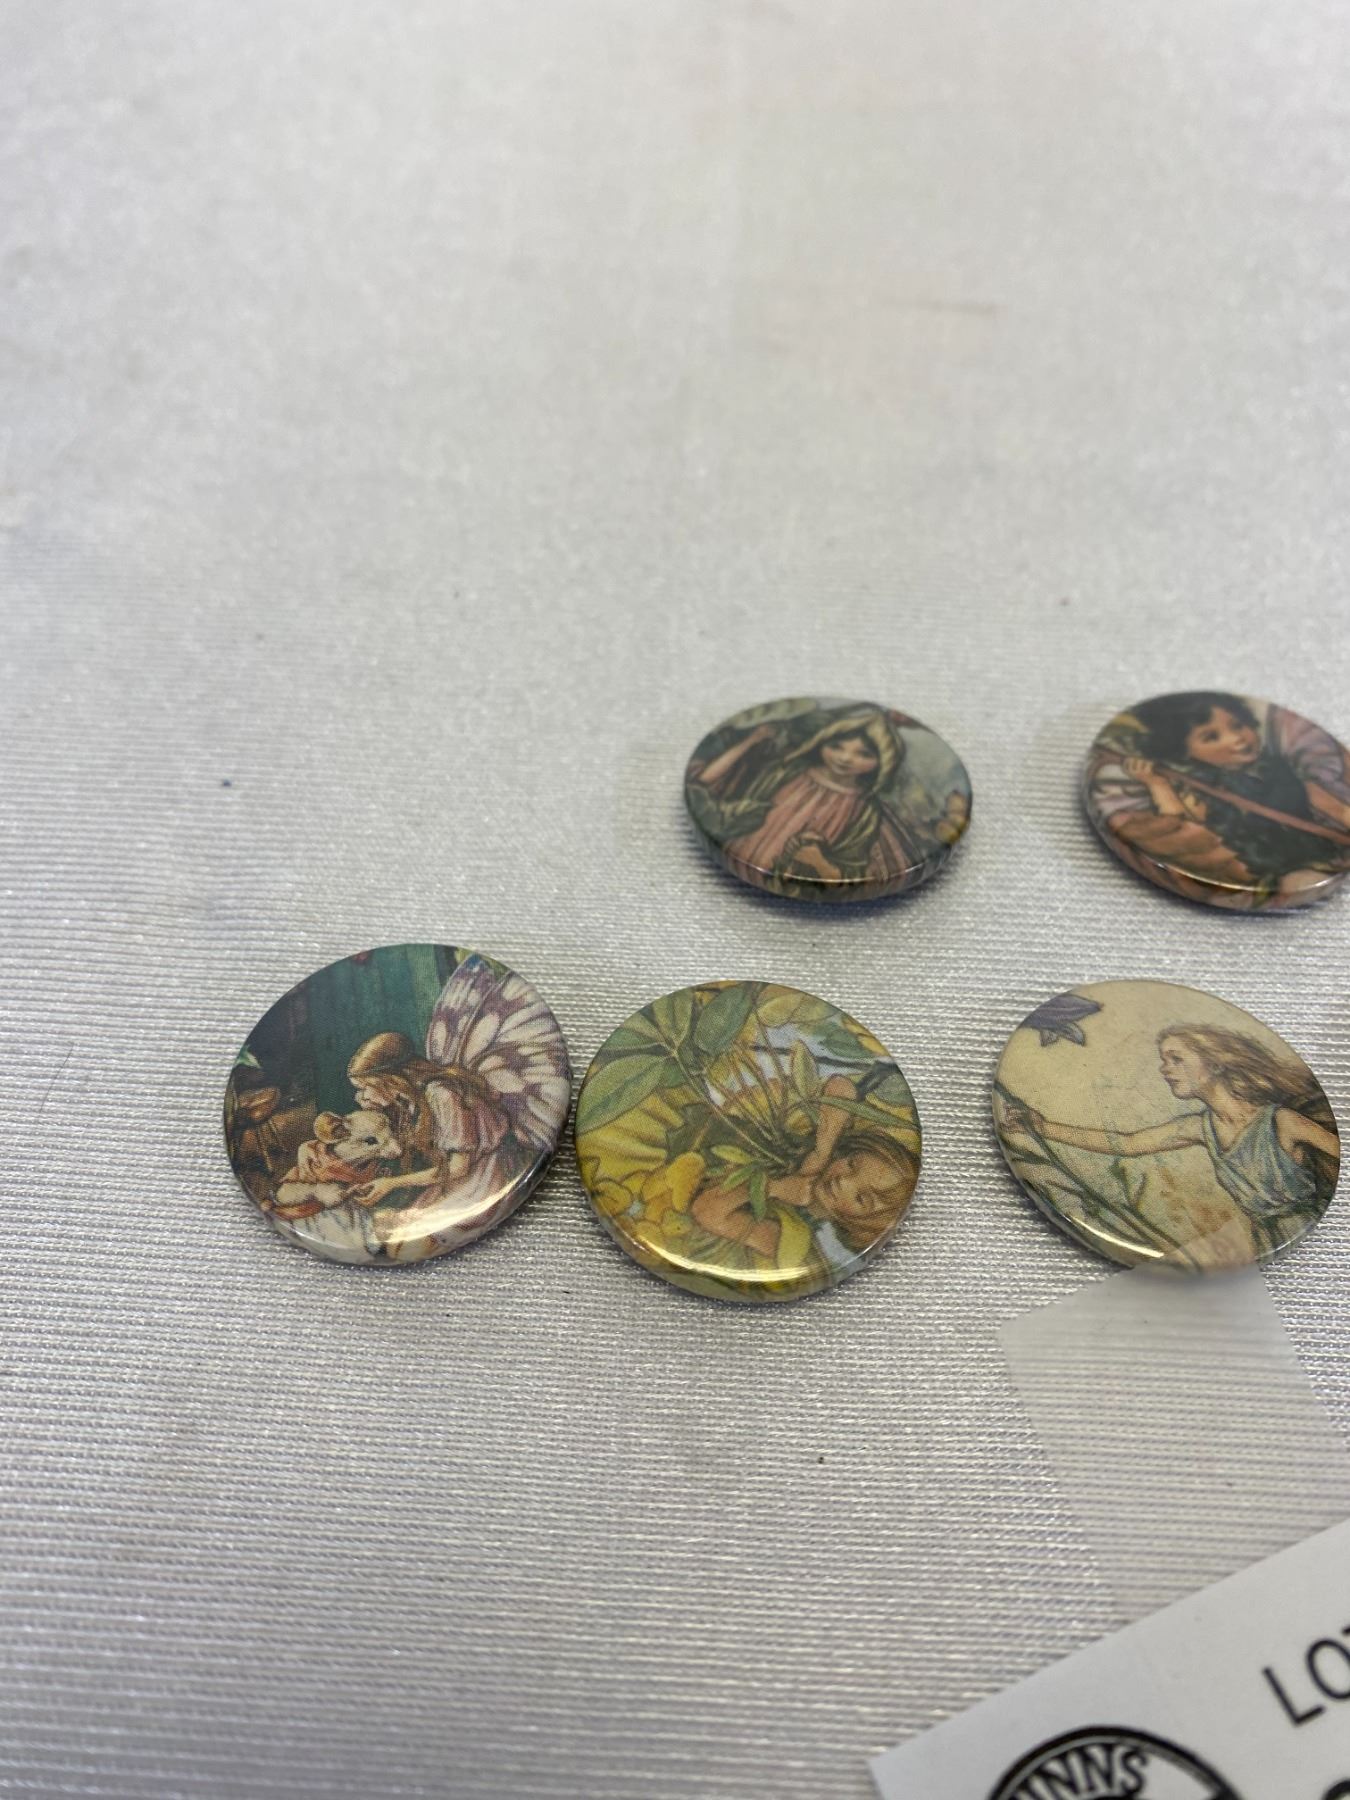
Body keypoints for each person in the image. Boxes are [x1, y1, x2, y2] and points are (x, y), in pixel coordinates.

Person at [1006, 1024, 1339, 1259]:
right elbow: (1126, 1144)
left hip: (1308, 1247)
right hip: (1262, 1243)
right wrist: (1042, 1127)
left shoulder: (1282, 1122)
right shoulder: (1201, 1128)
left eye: (1176, 1059)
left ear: (1215, 1064)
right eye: (1164, 1060)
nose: (1165, 1069)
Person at [342, 955, 571, 1260]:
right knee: (385, 1233)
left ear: (391, 1078)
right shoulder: (417, 1101)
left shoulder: (441, 1095)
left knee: (399, 1243)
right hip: (458, 1179)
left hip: (481, 1180)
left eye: (365, 1087)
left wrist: (390, 1184)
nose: (361, 1097)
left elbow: (459, 1169)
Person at [1100, 691, 1350, 903]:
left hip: (1320, 858)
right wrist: (1157, 784)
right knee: (1296, 880)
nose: (1237, 738)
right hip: (1264, 872)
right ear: (1185, 753)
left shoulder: (1286, 772)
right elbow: (1180, 831)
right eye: (1211, 737)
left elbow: (1337, 810)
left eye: (1237, 725)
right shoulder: (1198, 793)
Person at [687, 1075, 918, 1278]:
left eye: (861, 1198)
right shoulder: (823, 1148)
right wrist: (822, 1150)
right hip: (700, 1120)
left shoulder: (792, 1237)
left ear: (859, 1228)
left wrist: (775, 1188)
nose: (844, 1181)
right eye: (851, 1164)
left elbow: (705, 1210)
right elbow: (841, 1086)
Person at [687, 707, 933, 893]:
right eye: (836, 746)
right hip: (750, 850)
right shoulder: (785, 772)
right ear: (820, 743)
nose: (845, 758)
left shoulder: (865, 810)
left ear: (883, 762)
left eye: (864, 754)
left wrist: (819, 862)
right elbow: (716, 790)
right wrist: (753, 740)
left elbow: (853, 866)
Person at [271, 1109, 401, 1260]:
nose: (397, 1150)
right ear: (339, 1136)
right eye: (371, 1141)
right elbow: (289, 1194)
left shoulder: (363, 1162)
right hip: (318, 1214)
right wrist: (322, 1192)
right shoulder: (318, 1162)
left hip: (353, 1210)